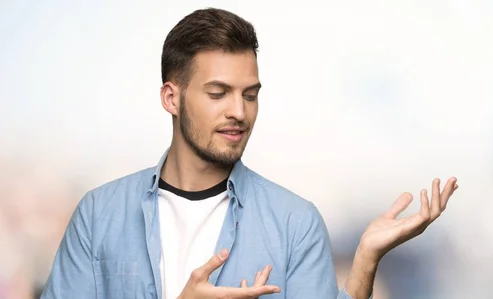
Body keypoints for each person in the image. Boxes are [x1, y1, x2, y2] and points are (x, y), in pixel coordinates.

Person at [41, 8, 458, 299]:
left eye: (250, 95)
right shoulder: (99, 215)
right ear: (172, 97)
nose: (239, 112)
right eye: (218, 93)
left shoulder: (295, 223)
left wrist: (366, 259)